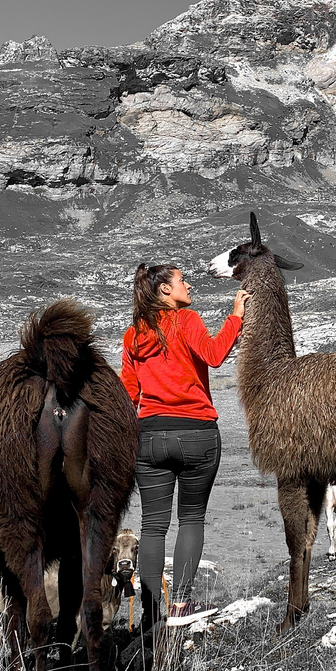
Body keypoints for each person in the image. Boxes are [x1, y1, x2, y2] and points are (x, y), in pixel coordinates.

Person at [120, 263, 248, 627]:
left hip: (149, 437)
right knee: (191, 518)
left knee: (152, 526)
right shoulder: (186, 319)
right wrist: (235, 316)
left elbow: (128, 395)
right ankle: (180, 605)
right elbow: (214, 354)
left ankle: (150, 614)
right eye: (181, 280)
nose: (188, 285)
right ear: (164, 290)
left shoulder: (134, 335)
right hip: (197, 433)